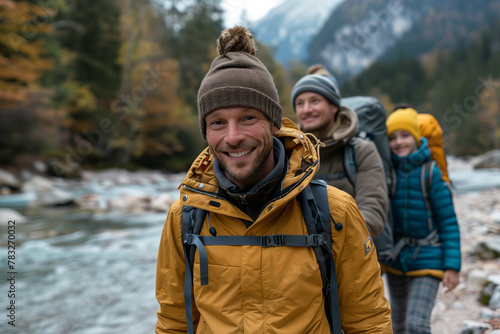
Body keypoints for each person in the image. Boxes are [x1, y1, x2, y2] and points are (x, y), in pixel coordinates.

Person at [155, 26, 392, 333]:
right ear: (205, 132)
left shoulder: (335, 211)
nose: (233, 137)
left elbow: (368, 321)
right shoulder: (184, 218)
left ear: (274, 122)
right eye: (217, 122)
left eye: (248, 118)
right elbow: (174, 321)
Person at [383, 107, 461, 334]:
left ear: (417, 138)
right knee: (397, 326)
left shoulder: (431, 173)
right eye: (392, 138)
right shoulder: (387, 172)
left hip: (429, 258)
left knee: (416, 324)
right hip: (396, 260)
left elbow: (448, 221)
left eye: (405, 135)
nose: (399, 142)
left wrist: (452, 267)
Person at [290, 65, 388, 239]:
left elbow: (373, 212)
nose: (306, 109)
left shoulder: (361, 151)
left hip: (352, 256)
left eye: (315, 101)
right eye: (300, 103)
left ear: (334, 106)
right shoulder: (290, 152)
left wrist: (321, 242)